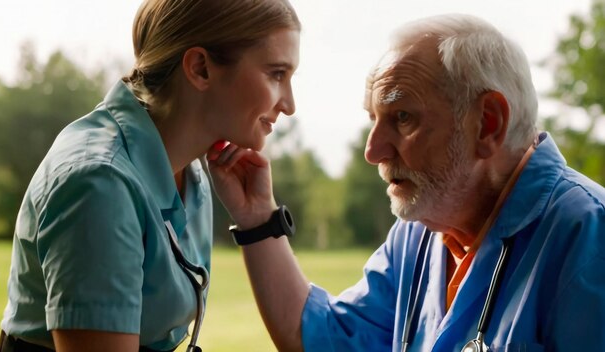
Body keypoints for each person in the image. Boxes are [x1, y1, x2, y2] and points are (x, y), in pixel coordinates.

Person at [207, 13, 605, 351]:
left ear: (487, 124)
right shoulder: (419, 234)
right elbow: (324, 340)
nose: (373, 151)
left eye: (402, 118)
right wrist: (258, 217)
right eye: (373, 120)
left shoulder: (588, 238)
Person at [0, 0, 299, 351]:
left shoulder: (194, 172)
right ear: (201, 68)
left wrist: (259, 218)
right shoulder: (99, 184)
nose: (289, 104)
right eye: (276, 74)